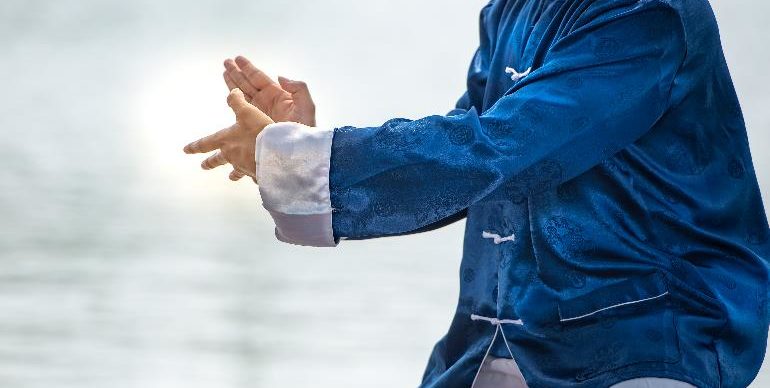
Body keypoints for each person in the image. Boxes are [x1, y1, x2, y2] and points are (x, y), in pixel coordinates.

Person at [183, 0, 770, 387]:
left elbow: (502, 149)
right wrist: (310, 146)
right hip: (497, 341)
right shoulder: (512, 8)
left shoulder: (642, 13)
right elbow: (467, 147)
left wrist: (310, 162)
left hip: (647, 344)